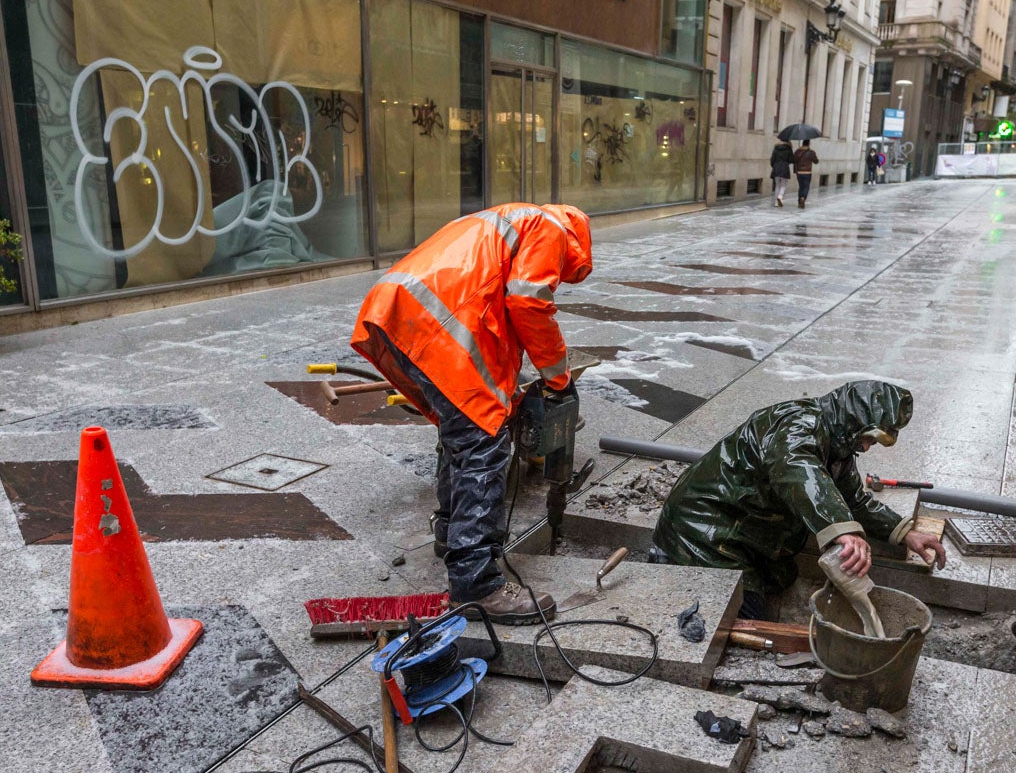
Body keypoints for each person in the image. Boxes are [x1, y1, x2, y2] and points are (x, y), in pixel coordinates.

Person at [352, 203, 594, 623]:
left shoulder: (506, 219)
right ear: (580, 246)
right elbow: (528, 300)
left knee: (462, 437)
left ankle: (451, 536)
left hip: (395, 311)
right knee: (484, 447)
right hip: (440, 325)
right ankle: (476, 584)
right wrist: (558, 377)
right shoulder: (553, 229)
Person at [649, 380, 948, 620]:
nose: (867, 448)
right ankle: (670, 572)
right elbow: (798, 469)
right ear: (853, 421)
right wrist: (842, 529)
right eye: (868, 438)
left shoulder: (837, 445)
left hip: (739, 534)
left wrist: (905, 532)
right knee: (746, 618)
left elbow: (855, 501)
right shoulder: (799, 424)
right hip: (702, 530)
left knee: (777, 580)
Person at [792, 140, 819, 208]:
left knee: (801, 187)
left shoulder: (797, 151)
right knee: (806, 186)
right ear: (809, 144)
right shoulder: (811, 152)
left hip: (799, 172)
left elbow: (793, 160)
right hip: (807, 172)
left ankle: (799, 202)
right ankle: (803, 198)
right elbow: (816, 161)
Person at [770, 139, 794, 207]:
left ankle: (776, 203)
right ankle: (780, 197)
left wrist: (774, 166)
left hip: (776, 167)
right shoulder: (789, 148)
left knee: (777, 185)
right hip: (785, 167)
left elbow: (772, 159)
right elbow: (791, 159)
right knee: (783, 185)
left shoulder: (776, 148)